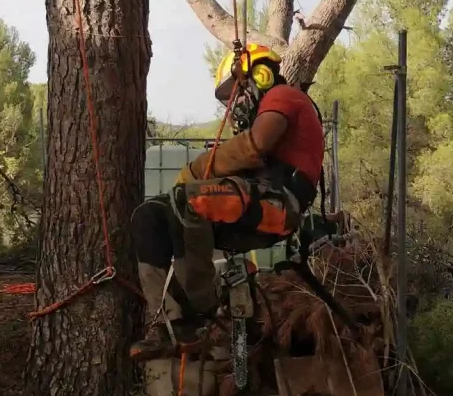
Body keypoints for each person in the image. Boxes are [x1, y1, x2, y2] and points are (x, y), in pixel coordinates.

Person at [129, 43, 325, 361]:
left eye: (233, 92)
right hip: (247, 204)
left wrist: (196, 171)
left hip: (277, 205)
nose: (232, 103)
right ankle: (171, 323)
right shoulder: (262, 113)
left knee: (189, 200)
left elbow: (254, 146)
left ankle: (200, 311)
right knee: (150, 216)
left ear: (259, 75)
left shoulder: (284, 97)